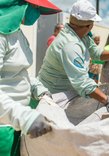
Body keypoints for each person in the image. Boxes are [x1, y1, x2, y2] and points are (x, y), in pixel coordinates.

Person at [38, 0, 109, 123]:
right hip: (54, 96)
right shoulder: (70, 45)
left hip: (67, 92)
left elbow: (96, 52)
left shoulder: (81, 35)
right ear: (89, 25)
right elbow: (82, 83)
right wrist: (108, 102)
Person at [0, 0, 61, 155]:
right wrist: (25, 117)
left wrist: (37, 88)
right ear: (18, 5)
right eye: (34, 7)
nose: (37, 12)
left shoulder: (17, 32)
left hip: (14, 122)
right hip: (3, 127)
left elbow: (19, 72)